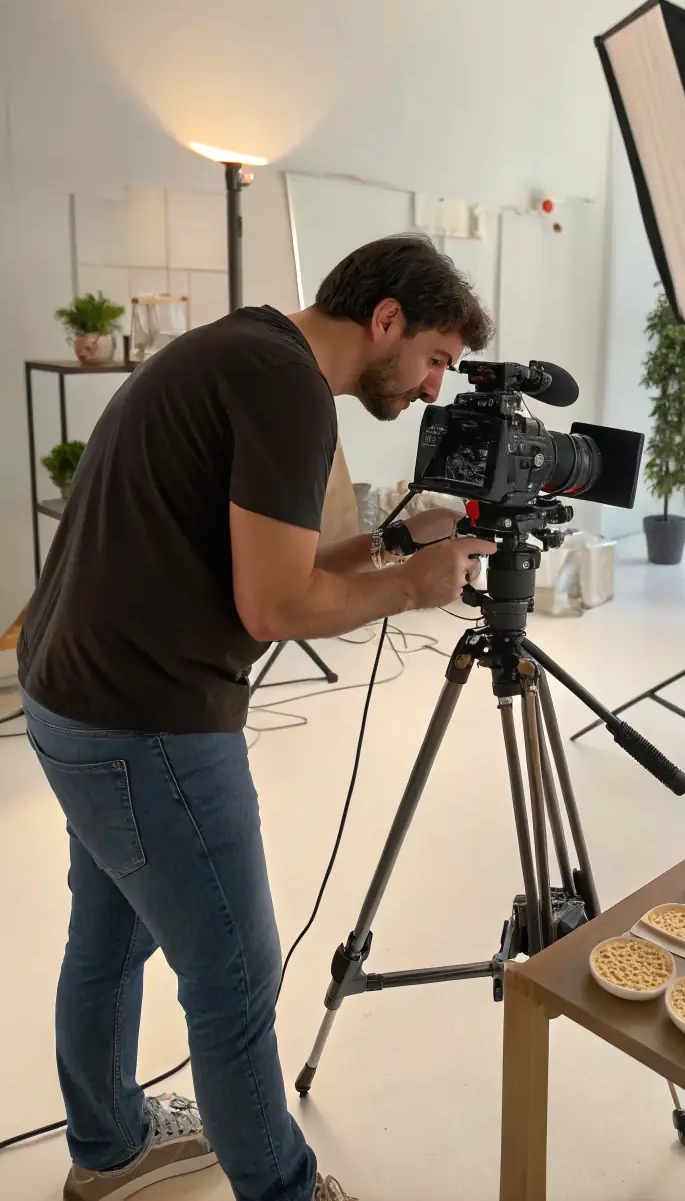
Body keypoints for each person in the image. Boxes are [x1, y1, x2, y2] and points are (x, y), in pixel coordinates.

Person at [18, 234, 496, 1201]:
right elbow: (275, 608)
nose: (436, 389)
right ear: (388, 319)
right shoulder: (286, 389)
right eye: (438, 358)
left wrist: (401, 539)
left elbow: (276, 562)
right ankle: (283, 1187)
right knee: (235, 971)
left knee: (107, 939)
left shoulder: (239, 350)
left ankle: (109, 1148)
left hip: (70, 696)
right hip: (145, 717)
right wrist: (410, 587)